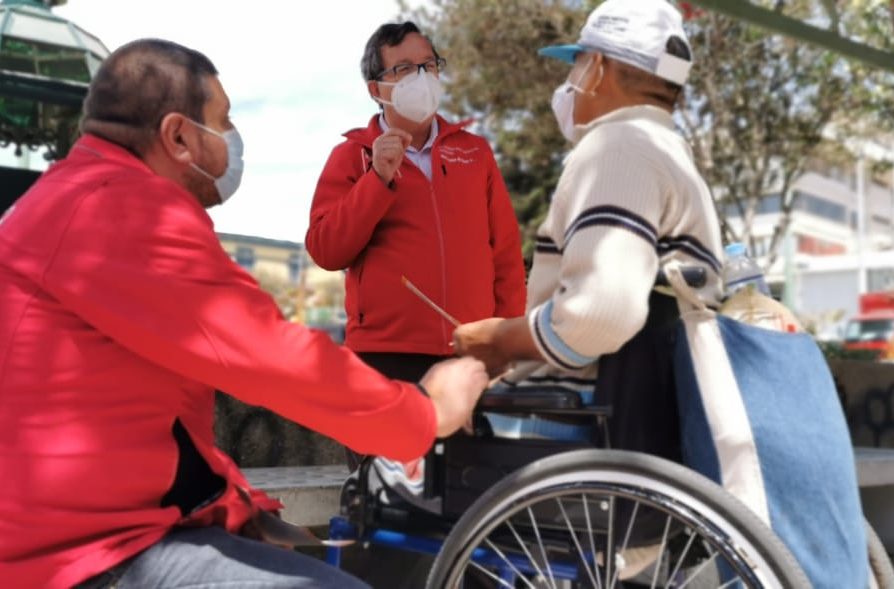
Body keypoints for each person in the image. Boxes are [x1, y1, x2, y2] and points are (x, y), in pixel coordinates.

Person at [0, 39, 488, 589]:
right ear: (179, 136)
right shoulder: (124, 212)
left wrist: (237, 504)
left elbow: (165, 415)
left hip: (86, 525)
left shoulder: (73, 196)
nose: (233, 138)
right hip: (80, 552)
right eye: (224, 119)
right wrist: (423, 414)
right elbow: (268, 353)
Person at [453, 0, 724, 446]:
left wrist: (501, 339)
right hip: (635, 422)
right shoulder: (669, 152)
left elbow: (600, 314)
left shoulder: (617, 148)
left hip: (568, 429)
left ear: (596, 67)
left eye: (575, 65)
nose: (570, 85)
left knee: (394, 460)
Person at [305, 21, 526, 385]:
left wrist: (505, 339)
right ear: (377, 89)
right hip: (383, 356)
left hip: (470, 352)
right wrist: (376, 179)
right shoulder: (351, 156)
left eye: (429, 65)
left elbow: (505, 252)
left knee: (467, 445)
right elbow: (326, 250)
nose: (422, 77)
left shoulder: (475, 153)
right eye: (404, 69)